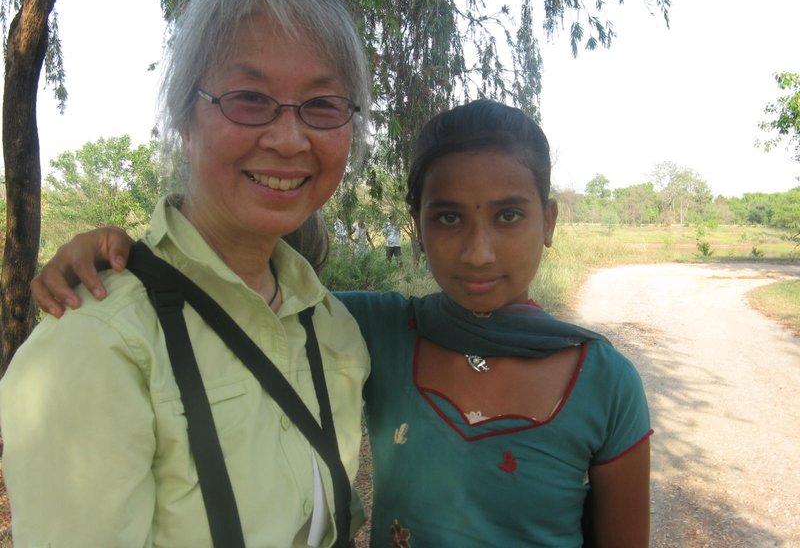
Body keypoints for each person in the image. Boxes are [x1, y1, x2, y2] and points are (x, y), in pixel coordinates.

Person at [31, 100, 652, 547]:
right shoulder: (369, 329)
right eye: (449, 218)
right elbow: (239, 299)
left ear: (548, 220)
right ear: (416, 226)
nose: (479, 251)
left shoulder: (604, 381)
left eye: (510, 217)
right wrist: (121, 255)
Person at [0, 0, 372, 548]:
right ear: (183, 120)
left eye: (322, 104)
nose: (288, 138)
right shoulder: (100, 341)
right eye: (250, 98)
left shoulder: (333, 328)